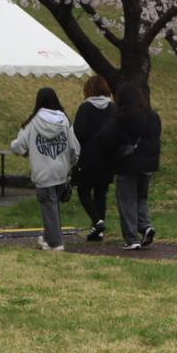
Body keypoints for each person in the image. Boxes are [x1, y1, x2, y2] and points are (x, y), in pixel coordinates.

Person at [10, 87, 79, 252]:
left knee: (49, 207)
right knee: (53, 208)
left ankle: (56, 242)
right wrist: (71, 163)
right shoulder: (64, 120)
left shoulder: (33, 122)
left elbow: (17, 146)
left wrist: (27, 151)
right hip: (61, 171)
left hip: (42, 173)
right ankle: (48, 237)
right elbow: (74, 148)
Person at [111, 79, 162, 250]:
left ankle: (131, 238)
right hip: (148, 164)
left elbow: (114, 139)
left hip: (128, 164)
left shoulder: (124, 118)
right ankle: (146, 226)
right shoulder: (153, 117)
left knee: (127, 199)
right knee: (141, 197)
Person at [70, 74, 116, 243]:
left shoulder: (85, 108)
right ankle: (98, 230)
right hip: (108, 158)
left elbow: (78, 133)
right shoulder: (113, 108)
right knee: (101, 193)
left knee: (83, 191)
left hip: (88, 157)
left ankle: (97, 221)